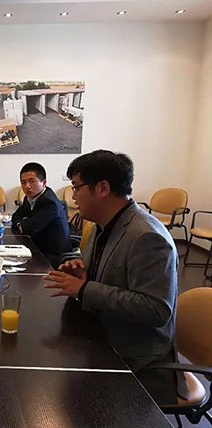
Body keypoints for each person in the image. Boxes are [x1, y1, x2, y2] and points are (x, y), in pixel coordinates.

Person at [42, 150, 186, 405]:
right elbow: (106, 276)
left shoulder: (147, 237)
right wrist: (83, 272)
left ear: (103, 188)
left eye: (76, 187)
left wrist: (85, 289)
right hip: (100, 338)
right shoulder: (103, 225)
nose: (73, 196)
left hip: (136, 363)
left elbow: (156, 309)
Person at [11, 162, 72, 267]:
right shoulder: (29, 198)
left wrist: (23, 224)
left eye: (32, 181)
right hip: (37, 247)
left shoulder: (50, 203)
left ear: (44, 183)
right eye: (23, 182)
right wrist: (22, 224)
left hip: (53, 256)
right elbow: (15, 217)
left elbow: (28, 228)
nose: (27, 186)